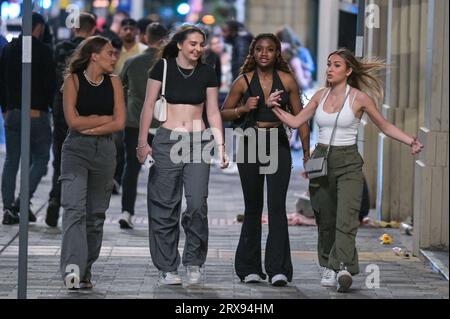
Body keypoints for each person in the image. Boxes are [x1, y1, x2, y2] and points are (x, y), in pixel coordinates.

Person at [271, 48, 423, 292]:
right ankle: (330, 266)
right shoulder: (319, 95)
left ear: (349, 70)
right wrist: (274, 108)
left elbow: (384, 126)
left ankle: (341, 267)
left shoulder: (360, 98)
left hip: (349, 161)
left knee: (347, 217)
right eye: (329, 64)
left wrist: (410, 140)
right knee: (325, 218)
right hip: (321, 159)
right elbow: (296, 122)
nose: (330, 69)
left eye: (337, 65)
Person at [137, 24, 228, 286]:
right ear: (179, 44)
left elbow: (212, 111)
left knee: (197, 203)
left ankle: (194, 261)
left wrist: (220, 145)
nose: (198, 49)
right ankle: (167, 267)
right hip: (167, 141)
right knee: (165, 206)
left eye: (201, 44)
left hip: (199, 140)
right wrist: (142, 142)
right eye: (193, 44)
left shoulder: (208, 72)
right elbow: (147, 106)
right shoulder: (162, 68)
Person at [220, 33, 310, 286]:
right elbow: (223, 112)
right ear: (253, 52)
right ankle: (249, 268)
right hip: (249, 143)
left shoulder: (288, 81)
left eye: (270, 49)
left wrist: (306, 153)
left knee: (277, 207)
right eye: (259, 49)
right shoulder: (243, 81)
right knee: (252, 206)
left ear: (277, 53)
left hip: (277, 144)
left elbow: (300, 118)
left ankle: (278, 269)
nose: (264, 53)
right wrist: (242, 109)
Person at [59, 36, 126, 289]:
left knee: (96, 215)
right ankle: (72, 271)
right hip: (76, 150)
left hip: (105, 152)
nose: (114, 57)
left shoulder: (114, 82)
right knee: (74, 209)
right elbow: (72, 122)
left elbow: (119, 122)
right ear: (94, 55)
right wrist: (103, 119)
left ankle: (85, 270)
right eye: (109, 53)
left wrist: (93, 125)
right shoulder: (72, 80)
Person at [0, 12, 56, 225]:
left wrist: (6, 109)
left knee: (11, 160)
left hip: (12, 114)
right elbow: (51, 84)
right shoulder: (43, 51)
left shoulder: (8, 49)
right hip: (37, 114)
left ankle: (7, 208)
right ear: (39, 27)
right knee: (41, 159)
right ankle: (20, 202)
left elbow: (1, 81)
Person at [46, 12, 97, 227]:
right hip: (88, 111)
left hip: (62, 109)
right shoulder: (97, 51)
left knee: (60, 156)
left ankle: (55, 200)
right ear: (93, 29)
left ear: (74, 27)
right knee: (88, 158)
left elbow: (52, 80)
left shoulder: (61, 48)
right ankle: (79, 208)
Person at [118, 22, 168, 229]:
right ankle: (160, 213)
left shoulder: (133, 62)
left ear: (145, 38)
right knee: (162, 171)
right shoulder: (170, 65)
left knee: (132, 168)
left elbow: (120, 88)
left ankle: (127, 211)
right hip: (163, 123)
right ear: (165, 40)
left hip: (135, 123)